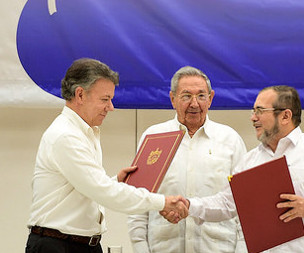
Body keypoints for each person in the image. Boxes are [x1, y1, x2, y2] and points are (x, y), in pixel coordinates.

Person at [164, 85, 304, 252]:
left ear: (285, 116)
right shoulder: (250, 160)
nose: (253, 118)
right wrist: (189, 206)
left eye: (260, 111)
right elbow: (227, 204)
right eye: (253, 111)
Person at [26, 58, 187, 253]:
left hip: (81, 244)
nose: (111, 107)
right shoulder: (65, 136)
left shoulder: (86, 131)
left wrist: (115, 182)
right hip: (57, 246)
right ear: (80, 95)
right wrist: (162, 202)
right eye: (105, 99)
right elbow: (102, 191)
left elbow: (86, 189)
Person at [127, 66, 248, 253]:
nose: (194, 103)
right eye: (186, 96)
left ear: (211, 98)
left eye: (201, 96)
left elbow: (244, 203)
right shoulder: (154, 138)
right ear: (172, 98)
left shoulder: (230, 140)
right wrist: (140, 247)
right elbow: (137, 199)